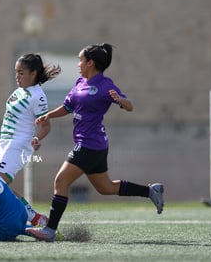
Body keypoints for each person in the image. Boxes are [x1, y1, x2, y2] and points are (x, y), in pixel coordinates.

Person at [25, 43, 164, 242]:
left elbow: (129, 106)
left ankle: (50, 230)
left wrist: (120, 100)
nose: (78, 64)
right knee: (105, 188)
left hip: (89, 145)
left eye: (81, 60)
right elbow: (67, 107)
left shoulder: (106, 85)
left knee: (60, 181)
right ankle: (151, 191)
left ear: (90, 63)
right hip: (95, 145)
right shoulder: (80, 82)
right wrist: (47, 115)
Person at [0, 53, 61, 227]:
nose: (17, 76)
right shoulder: (19, 91)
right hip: (4, 145)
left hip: (20, 145)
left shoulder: (38, 96)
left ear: (33, 73)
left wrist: (36, 139)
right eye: (16, 72)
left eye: (21, 73)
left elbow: (46, 127)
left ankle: (35, 219)